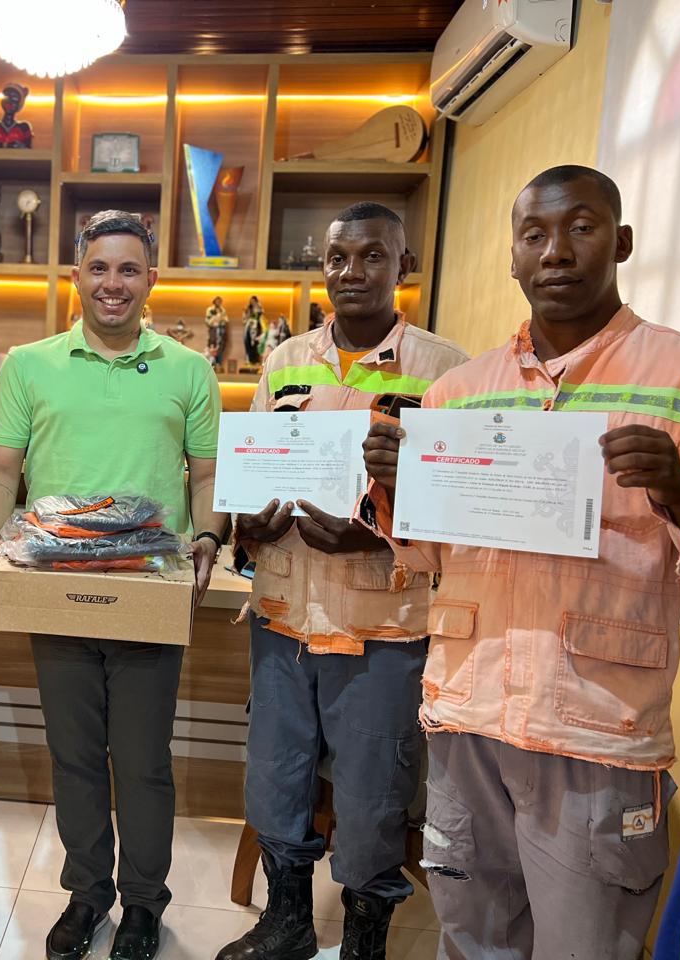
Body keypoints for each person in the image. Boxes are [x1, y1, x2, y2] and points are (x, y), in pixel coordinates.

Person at [362, 166, 680, 959]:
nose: (555, 251)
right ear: (513, 257)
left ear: (622, 242)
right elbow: (430, 556)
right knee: (472, 938)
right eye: (534, 235)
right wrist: (394, 489)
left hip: (598, 726)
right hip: (468, 711)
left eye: (581, 228)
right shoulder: (457, 391)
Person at [215, 203, 468, 960]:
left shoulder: (446, 370)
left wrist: (378, 534)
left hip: (382, 627)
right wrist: (248, 525)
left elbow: (463, 505)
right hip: (284, 614)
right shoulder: (286, 359)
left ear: (403, 266)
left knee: (373, 792)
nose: (351, 272)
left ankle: (364, 941)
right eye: (336, 258)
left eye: (371, 256)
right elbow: (252, 472)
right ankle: (287, 922)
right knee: (276, 777)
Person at [0, 209, 227, 960]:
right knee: (75, 756)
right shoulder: (29, 366)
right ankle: (87, 894)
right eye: (99, 268)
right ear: (76, 277)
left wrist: (208, 538)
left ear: (152, 280)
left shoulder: (189, 370)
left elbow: (207, 476)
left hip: (149, 592)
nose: (112, 284)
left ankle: (144, 903)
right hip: (55, 590)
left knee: (143, 762)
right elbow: (1, 473)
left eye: (128, 269)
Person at [205, 295, 228, 369]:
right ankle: (212, 363)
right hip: (213, 329)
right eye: (217, 301)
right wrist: (214, 319)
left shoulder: (222, 310)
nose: (218, 302)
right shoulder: (210, 309)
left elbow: (226, 319)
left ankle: (219, 363)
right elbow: (208, 320)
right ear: (214, 301)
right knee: (212, 344)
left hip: (221, 330)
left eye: (220, 301)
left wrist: (221, 319)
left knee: (220, 346)